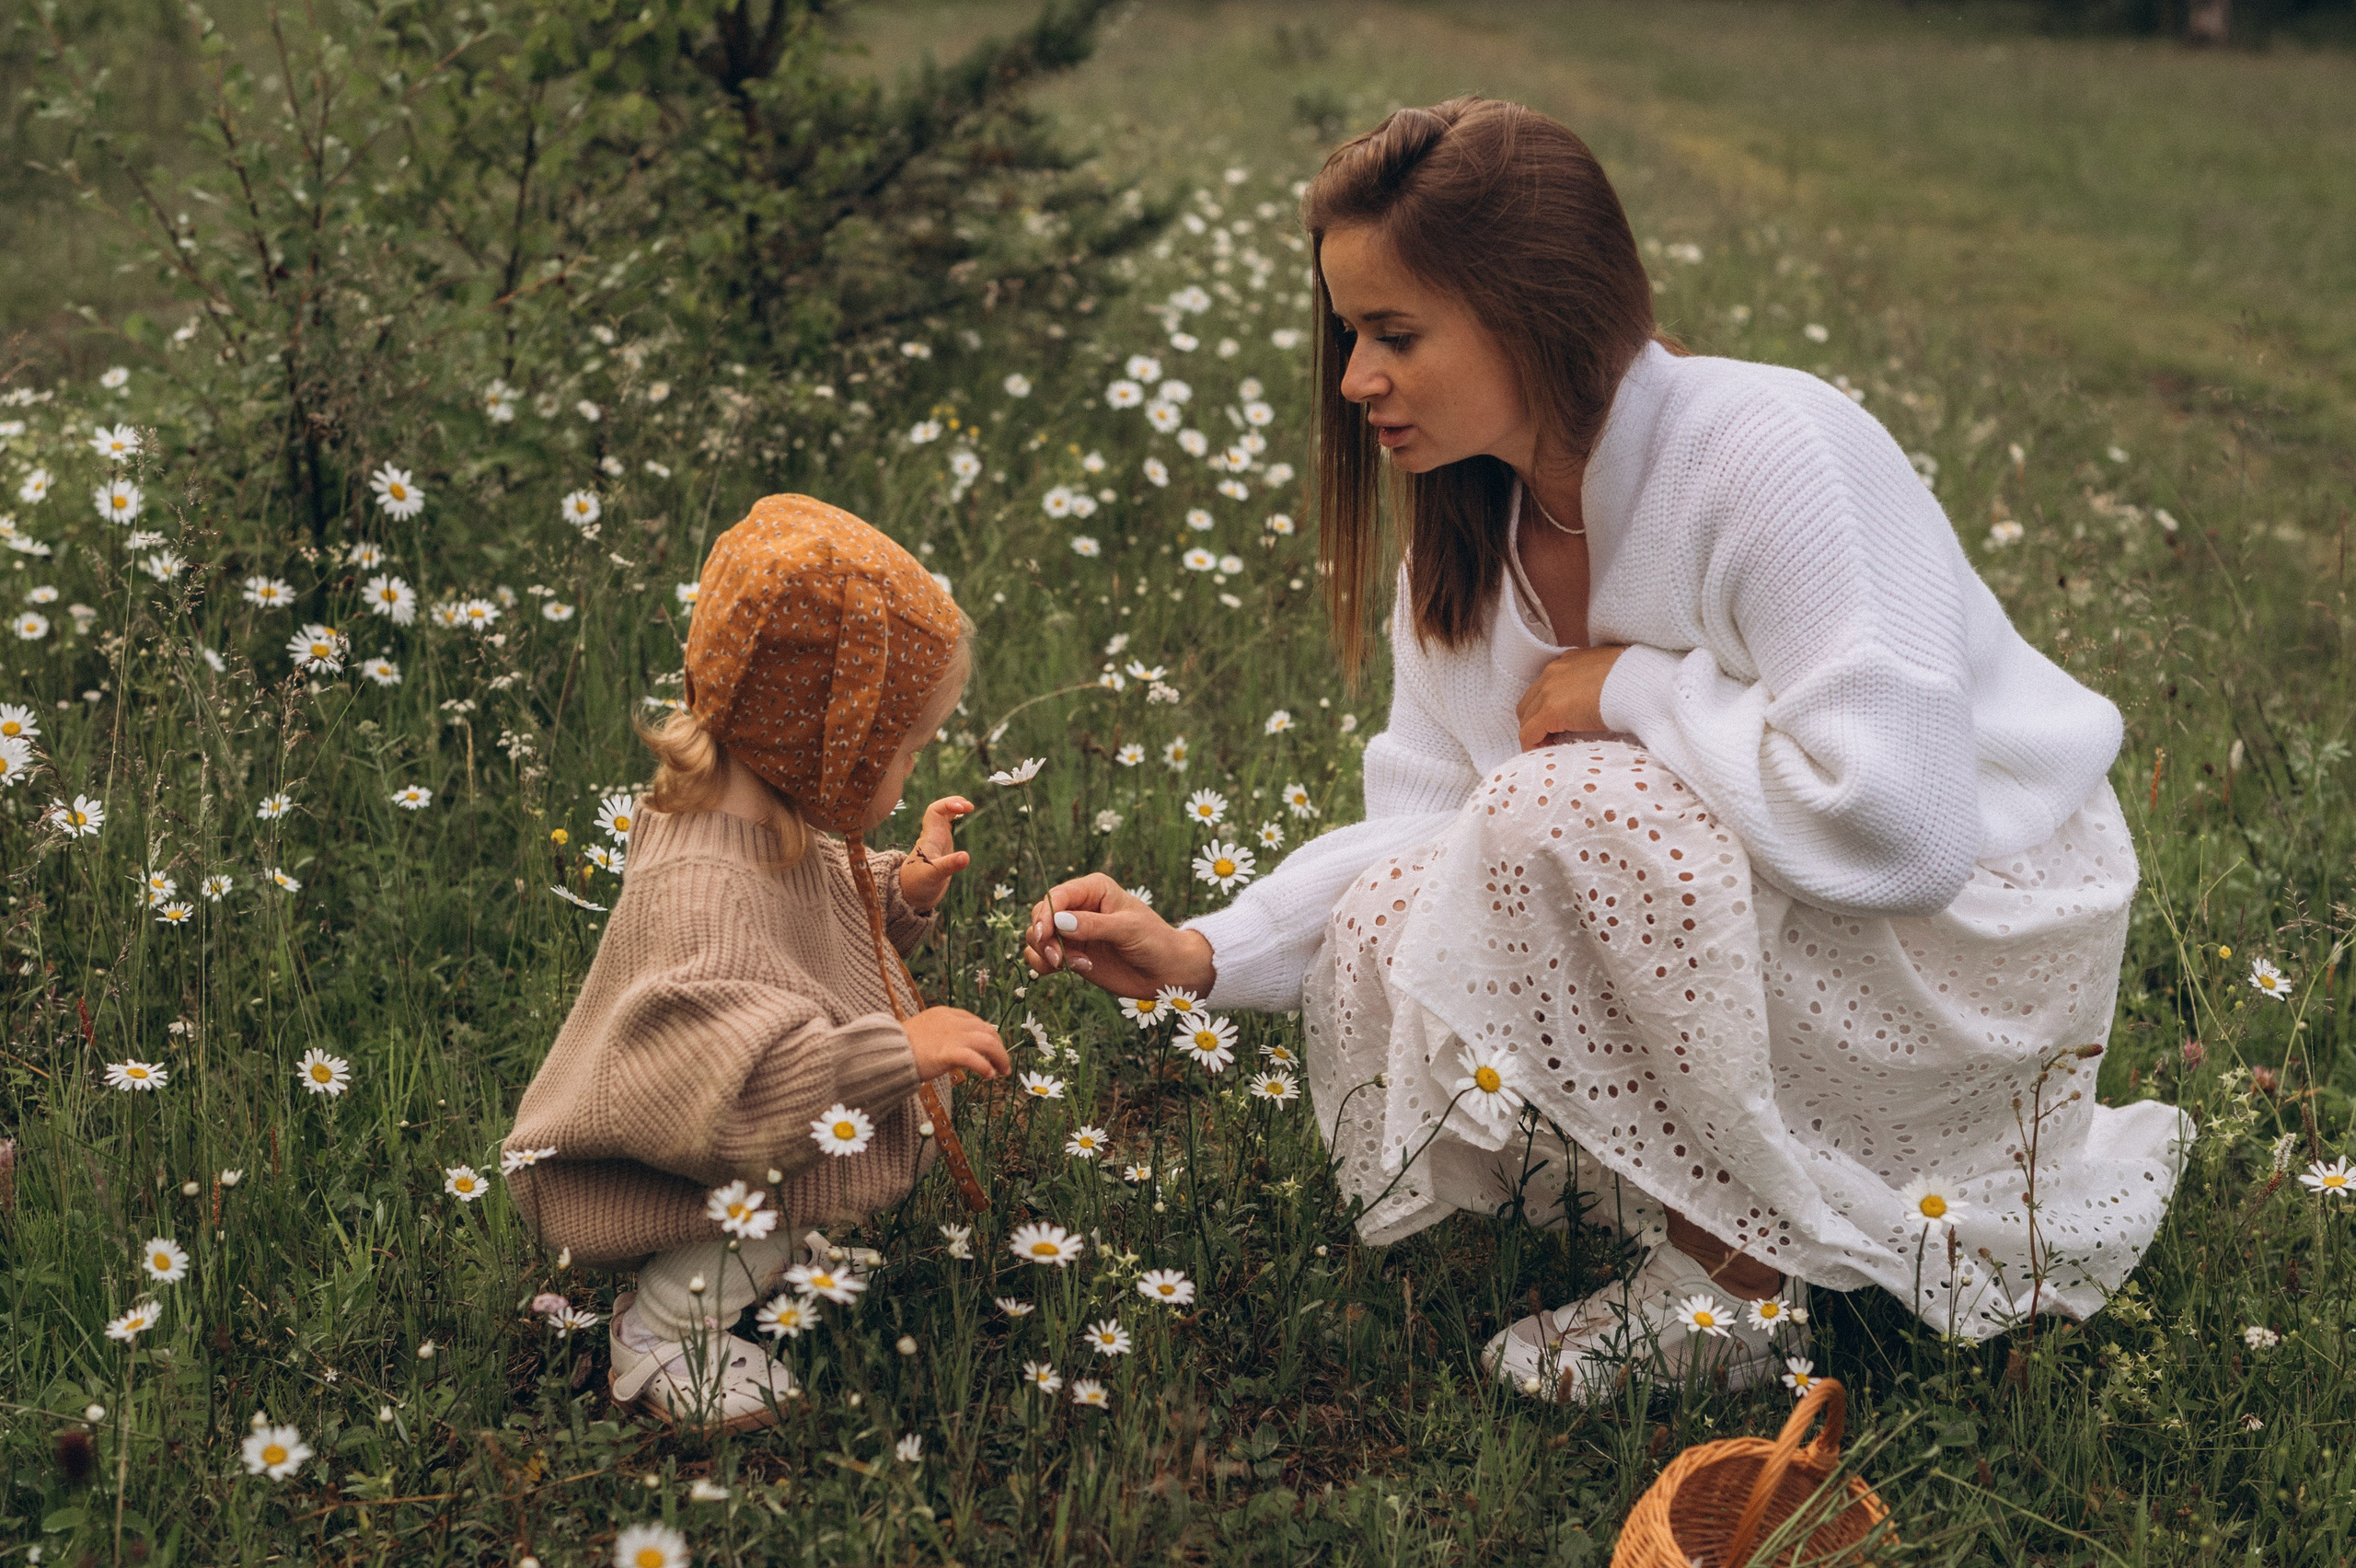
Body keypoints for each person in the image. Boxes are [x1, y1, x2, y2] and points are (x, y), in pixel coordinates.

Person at [1023, 97, 2191, 1403]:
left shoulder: (1772, 450)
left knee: (1566, 808)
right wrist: (1205, 952)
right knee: (1444, 874)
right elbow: (1425, 825)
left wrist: (1632, 688)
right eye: (1350, 332)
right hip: (1796, 897)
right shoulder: (1466, 541)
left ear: (1534, 309)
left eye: (1395, 334)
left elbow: (1907, 827)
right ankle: (1698, 1200)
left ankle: (1733, 1293)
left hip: (1977, 926)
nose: (1355, 378)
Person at [502, 494, 1010, 1431]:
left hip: (727, 1146)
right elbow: (745, 1093)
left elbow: (812, 935)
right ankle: (657, 1335)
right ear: (830, 737)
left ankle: (712, 1295)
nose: (907, 774)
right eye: (904, 751)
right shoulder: (708, 886)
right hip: (674, 1167)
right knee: (762, 1216)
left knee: (783, 1205)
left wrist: (903, 892)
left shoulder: (764, 816)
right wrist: (900, 1048)